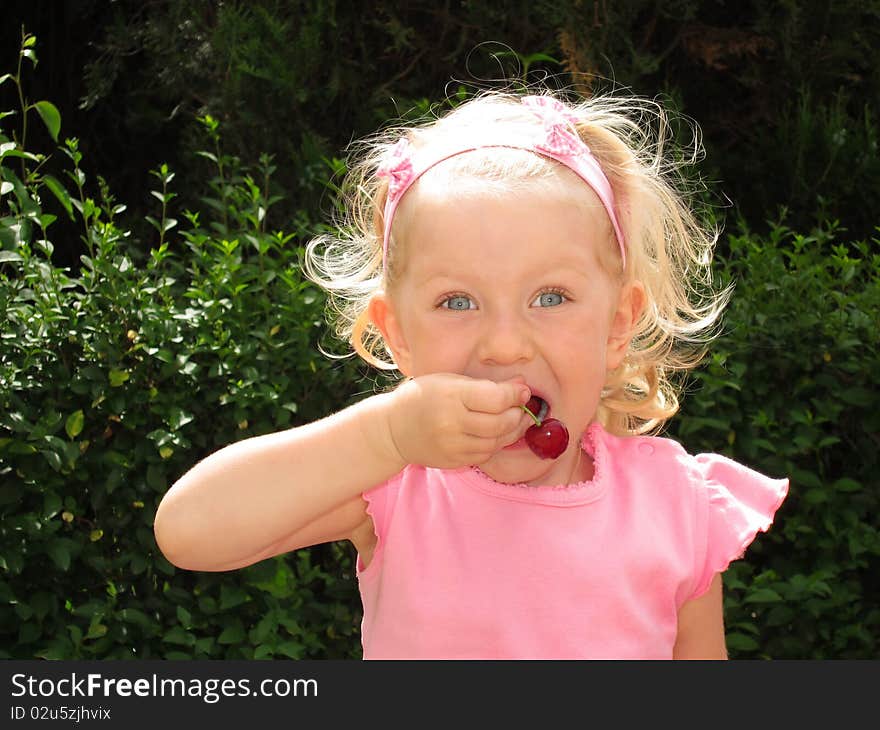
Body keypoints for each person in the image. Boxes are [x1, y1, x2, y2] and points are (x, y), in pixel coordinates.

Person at [154, 89, 789, 659]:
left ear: (618, 323)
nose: (505, 345)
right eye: (457, 302)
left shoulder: (676, 506)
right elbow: (188, 531)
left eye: (550, 296)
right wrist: (385, 437)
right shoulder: (397, 484)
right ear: (397, 333)